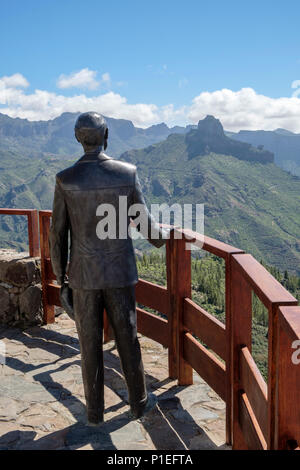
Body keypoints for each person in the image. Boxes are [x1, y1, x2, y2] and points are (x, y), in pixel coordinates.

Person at [49, 111, 167, 425]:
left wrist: (62, 281)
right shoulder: (126, 174)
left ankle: (94, 412)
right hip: (119, 273)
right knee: (128, 338)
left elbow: (57, 236)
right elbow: (148, 229)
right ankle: (139, 402)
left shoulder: (65, 179)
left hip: (83, 276)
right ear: (106, 135)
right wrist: (167, 236)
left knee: (89, 345)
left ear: (77, 137)